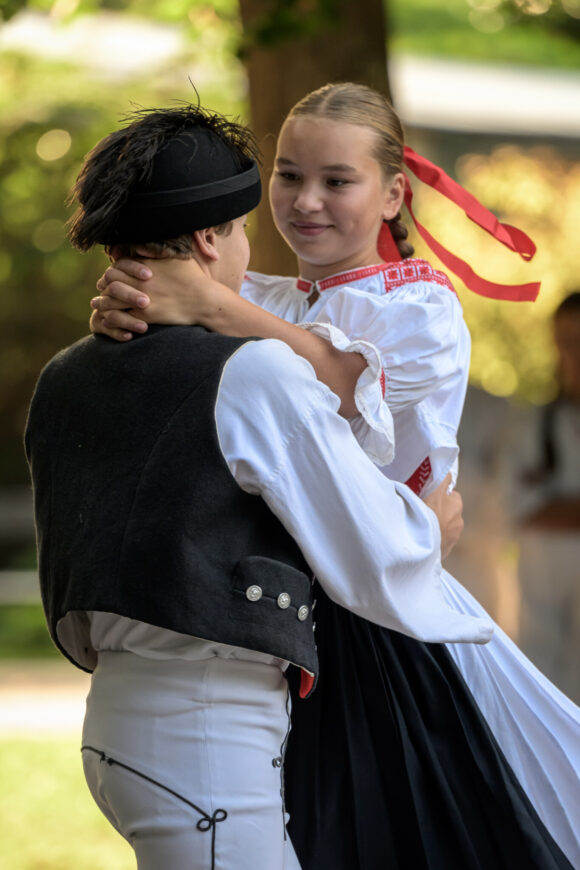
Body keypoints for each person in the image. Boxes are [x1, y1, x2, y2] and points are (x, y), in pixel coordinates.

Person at [89, 87, 579, 868]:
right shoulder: (255, 295)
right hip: (261, 618)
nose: (306, 201)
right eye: (288, 176)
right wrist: (128, 300)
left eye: (336, 180)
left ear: (393, 193)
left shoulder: (419, 308)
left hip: (378, 615)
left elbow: (338, 380)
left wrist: (208, 301)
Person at [510, 291, 580, 703]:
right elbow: (518, 508)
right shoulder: (533, 425)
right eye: (568, 342)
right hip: (544, 627)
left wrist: (559, 510)